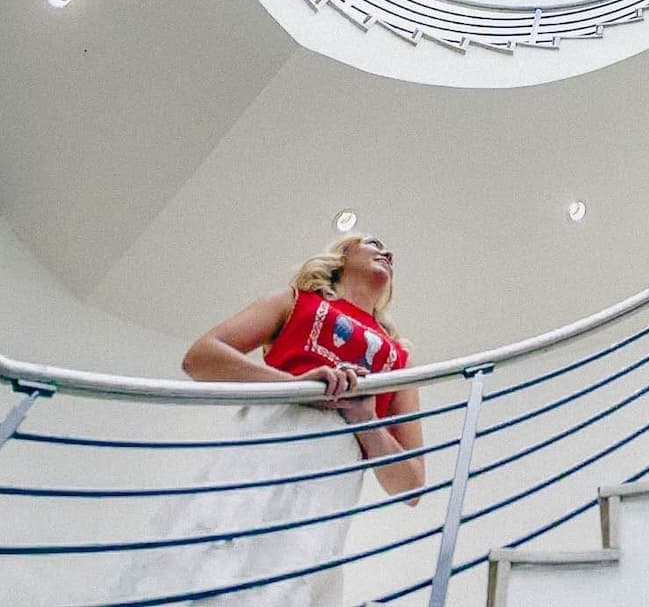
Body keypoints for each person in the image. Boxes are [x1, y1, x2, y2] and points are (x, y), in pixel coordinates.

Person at [113, 233, 423, 606]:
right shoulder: (294, 301)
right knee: (213, 550)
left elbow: (411, 485)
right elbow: (201, 356)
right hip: (261, 453)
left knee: (290, 574)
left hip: (327, 489)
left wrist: (367, 420)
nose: (387, 252)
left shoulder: (398, 358)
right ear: (342, 256)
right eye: (373, 243)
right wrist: (293, 385)